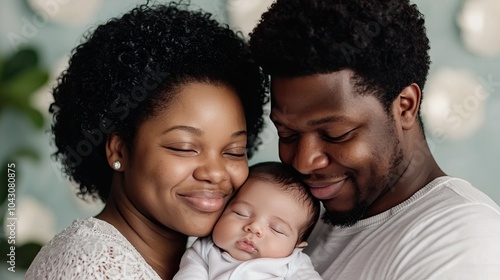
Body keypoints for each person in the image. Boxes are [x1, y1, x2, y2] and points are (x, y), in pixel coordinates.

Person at [249, 0, 500, 279]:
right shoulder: (301, 219)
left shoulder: (463, 244)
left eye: (336, 134)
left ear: (405, 106)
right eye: (288, 134)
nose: (304, 162)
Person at [25, 2, 268, 279]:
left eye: (235, 152)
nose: (215, 172)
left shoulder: (212, 263)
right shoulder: (92, 268)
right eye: (185, 148)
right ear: (119, 151)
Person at [173, 161, 322, 279]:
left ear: (296, 247)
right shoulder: (204, 249)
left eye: (276, 228)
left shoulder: (294, 265)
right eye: (241, 213)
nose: (254, 227)